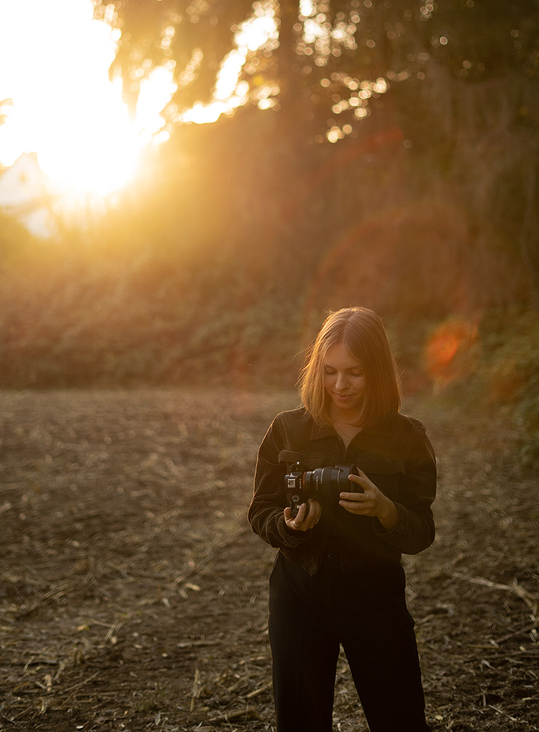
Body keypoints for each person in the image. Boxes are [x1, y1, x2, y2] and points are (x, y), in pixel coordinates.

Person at [248, 306, 436, 732]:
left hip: (375, 597)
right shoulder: (288, 429)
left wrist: (387, 511)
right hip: (299, 595)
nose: (340, 385)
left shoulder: (408, 437)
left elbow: (423, 531)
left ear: (379, 371)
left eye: (354, 372)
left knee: (400, 719)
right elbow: (260, 511)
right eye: (329, 371)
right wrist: (290, 525)